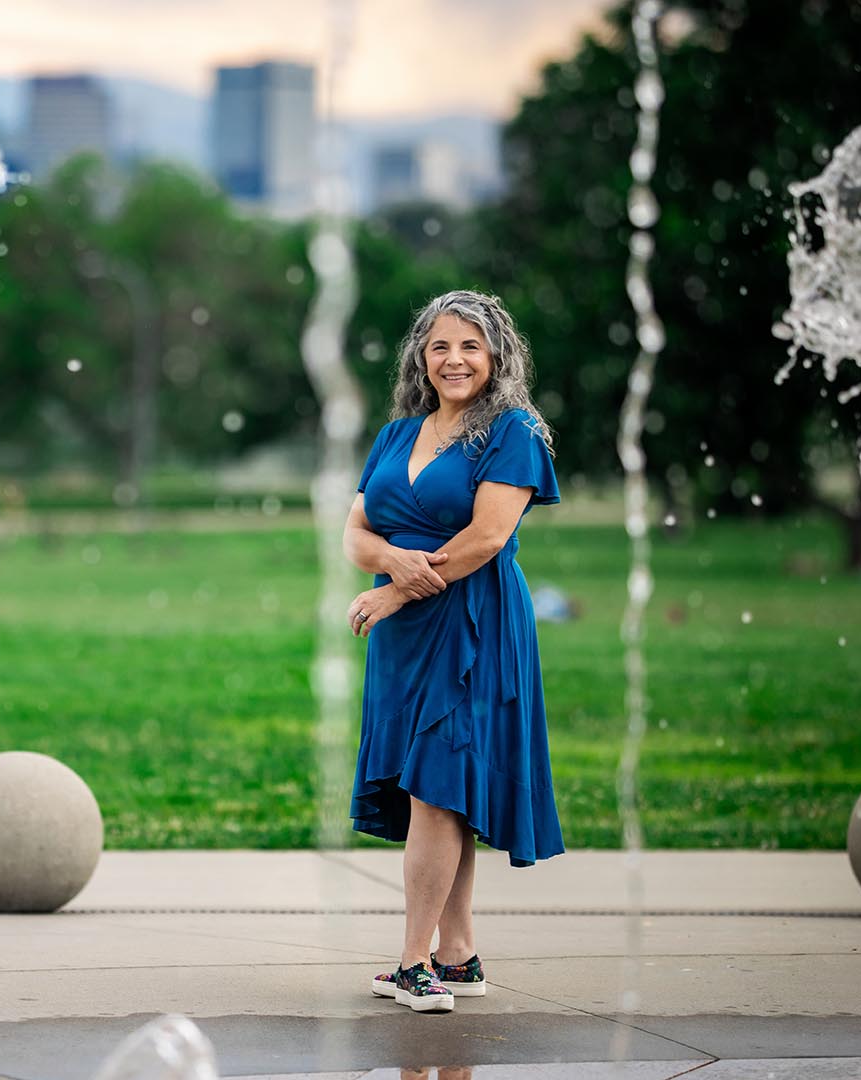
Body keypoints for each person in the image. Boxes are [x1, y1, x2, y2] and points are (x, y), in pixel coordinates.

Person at [343, 289, 564, 1014]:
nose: (455, 359)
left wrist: (396, 588)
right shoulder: (397, 436)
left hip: (472, 623)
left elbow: (487, 539)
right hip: (404, 640)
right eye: (440, 346)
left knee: (439, 786)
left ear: (496, 355)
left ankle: (412, 964)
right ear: (421, 358)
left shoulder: (512, 430)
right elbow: (355, 535)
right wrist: (391, 565)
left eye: (470, 345)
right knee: (437, 791)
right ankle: (457, 953)